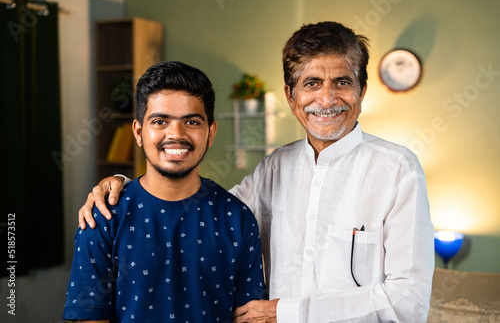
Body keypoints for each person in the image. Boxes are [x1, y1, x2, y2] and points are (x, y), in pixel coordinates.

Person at [79, 22, 435, 322]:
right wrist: (126, 189)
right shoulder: (274, 167)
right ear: (291, 95)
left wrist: (287, 313)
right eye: (311, 83)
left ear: (362, 91)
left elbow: (409, 301)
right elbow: (200, 208)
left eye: (342, 82)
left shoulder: (397, 169)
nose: (326, 99)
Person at [64, 61, 265, 322]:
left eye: (191, 122)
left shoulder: (237, 218)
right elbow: (90, 317)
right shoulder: (102, 216)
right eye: (160, 121)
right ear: (138, 132)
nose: (176, 134)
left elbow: (250, 317)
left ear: (211, 133)